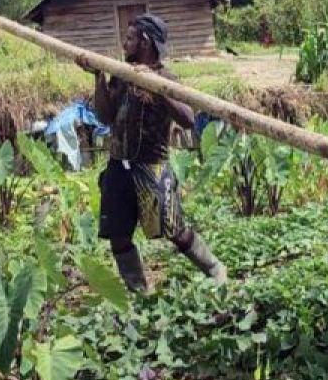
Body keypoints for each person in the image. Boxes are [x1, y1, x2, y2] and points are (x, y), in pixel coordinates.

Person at [75, 14, 227, 291]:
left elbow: (188, 119)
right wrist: (99, 77)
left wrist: (156, 88)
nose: (125, 43)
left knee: (174, 231)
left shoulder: (167, 78)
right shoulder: (121, 75)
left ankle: (215, 267)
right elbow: (106, 117)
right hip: (118, 165)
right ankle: (140, 293)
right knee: (118, 235)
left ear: (145, 41)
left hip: (151, 166)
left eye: (130, 38)